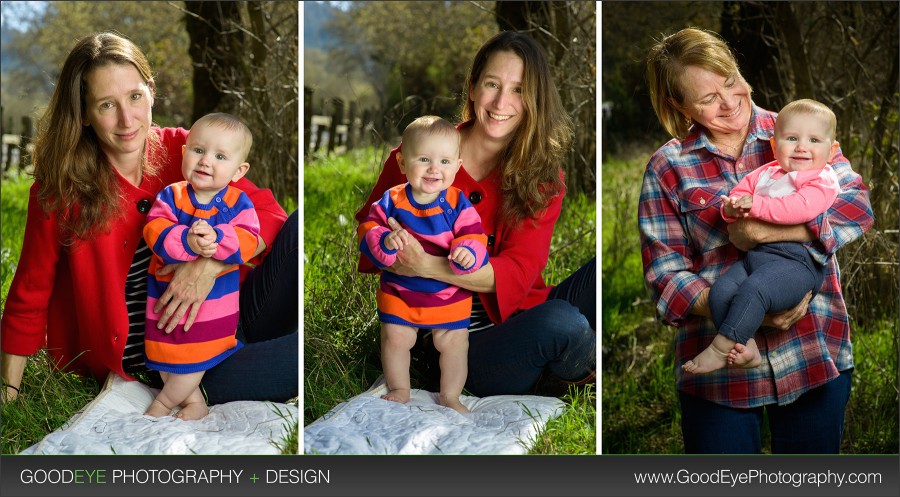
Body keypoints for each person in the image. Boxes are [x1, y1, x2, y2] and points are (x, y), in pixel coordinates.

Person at [0, 32, 298, 408]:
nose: (127, 120)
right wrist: (9, 396)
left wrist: (211, 264)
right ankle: (193, 392)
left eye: (135, 97)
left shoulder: (188, 150)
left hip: (226, 317)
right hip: (164, 362)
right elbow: (30, 290)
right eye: (107, 105)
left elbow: (269, 214)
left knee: (298, 227)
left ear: (151, 91)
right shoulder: (61, 189)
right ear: (84, 114)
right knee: (294, 360)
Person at [640, 28, 873, 453]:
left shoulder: (799, 129)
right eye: (708, 98)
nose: (728, 102)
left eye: (730, 81)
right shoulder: (668, 166)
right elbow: (665, 273)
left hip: (813, 347)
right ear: (678, 104)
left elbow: (856, 207)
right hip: (719, 374)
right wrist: (744, 310)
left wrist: (768, 232)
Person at [354, 31, 596, 398]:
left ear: (535, 99)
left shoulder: (544, 177)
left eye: (518, 89)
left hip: (520, 312)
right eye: (492, 84)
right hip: (452, 337)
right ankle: (556, 366)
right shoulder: (419, 156)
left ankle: (556, 363)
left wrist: (424, 264)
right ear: (472, 87)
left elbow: (518, 271)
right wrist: (386, 244)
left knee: (595, 279)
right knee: (564, 325)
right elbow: (369, 231)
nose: (502, 101)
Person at [683, 99, 842, 375]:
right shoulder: (767, 174)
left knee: (754, 288)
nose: (802, 146)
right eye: (792, 138)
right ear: (774, 145)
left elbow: (798, 208)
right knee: (721, 291)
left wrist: (753, 206)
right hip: (757, 258)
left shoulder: (822, 179)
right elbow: (739, 194)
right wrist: (732, 208)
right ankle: (747, 345)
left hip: (798, 263)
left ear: (832, 151)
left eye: (814, 140)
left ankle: (721, 349)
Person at [358, 116, 488, 413]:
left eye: (444, 161)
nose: (434, 169)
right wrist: (385, 243)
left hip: (448, 293)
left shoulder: (457, 203)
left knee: (455, 343)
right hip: (401, 291)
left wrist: (467, 251)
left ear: (457, 166)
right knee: (395, 337)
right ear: (403, 163)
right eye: (424, 159)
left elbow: (474, 235)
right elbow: (369, 229)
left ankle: (451, 395)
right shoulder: (392, 200)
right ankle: (400, 388)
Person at [143, 113, 260, 419]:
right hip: (164, 304)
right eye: (198, 150)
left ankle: (162, 405)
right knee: (167, 361)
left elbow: (249, 238)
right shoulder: (172, 195)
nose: (206, 161)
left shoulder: (238, 202)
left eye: (220, 156)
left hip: (210, 312)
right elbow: (154, 230)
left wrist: (218, 240)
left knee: (192, 360)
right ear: (184, 153)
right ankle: (195, 404)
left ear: (239, 170)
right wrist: (187, 241)